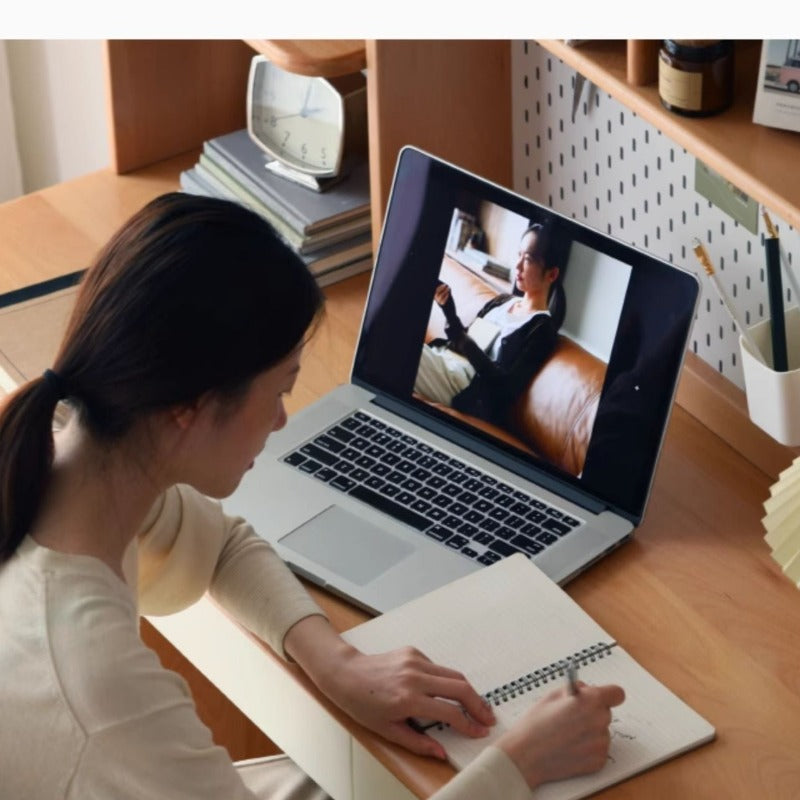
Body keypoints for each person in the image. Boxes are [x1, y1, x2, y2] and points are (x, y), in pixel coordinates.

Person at [0, 193, 623, 799]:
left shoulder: (71, 457)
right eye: (279, 390)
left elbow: (222, 542)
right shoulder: (97, 693)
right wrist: (521, 763)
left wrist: (337, 663)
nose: (280, 421)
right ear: (188, 406)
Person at [414, 222, 566, 427]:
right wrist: (448, 308)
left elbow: (505, 389)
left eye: (528, 259)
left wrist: (463, 341)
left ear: (552, 274)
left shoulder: (541, 330)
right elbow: (462, 339)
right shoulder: (503, 301)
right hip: (445, 361)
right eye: (518, 255)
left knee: (397, 347)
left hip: (463, 387)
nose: (518, 266)